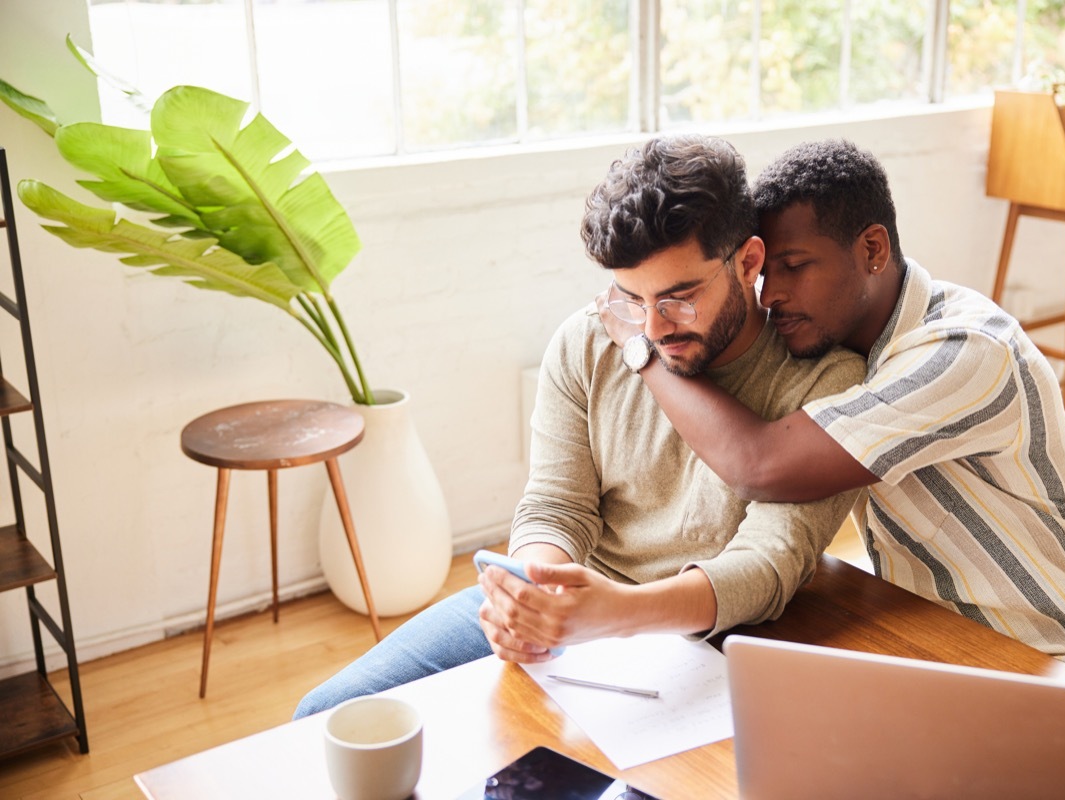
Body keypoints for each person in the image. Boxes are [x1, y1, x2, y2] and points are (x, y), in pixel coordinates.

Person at [595, 137, 1065, 716]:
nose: (772, 295)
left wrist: (639, 345)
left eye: (795, 266)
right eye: (763, 274)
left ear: (873, 250)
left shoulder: (965, 351)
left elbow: (760, 466)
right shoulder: (848, 359)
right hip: (971, 670)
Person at [293, 135, 865, 718]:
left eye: (679, 297)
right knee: (323, 713)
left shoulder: (827, 381)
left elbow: (770, 565)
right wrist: (535, 590)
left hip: (707, 632)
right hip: (581, 603)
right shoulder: (589, 339)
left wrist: (616, 613)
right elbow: (555, 504)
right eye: (630, 296)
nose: (651, 326)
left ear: (748, 262)